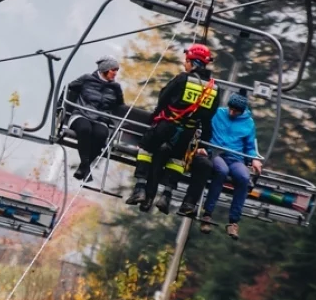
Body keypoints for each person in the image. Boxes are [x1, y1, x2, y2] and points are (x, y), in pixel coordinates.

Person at [126, 44, 220, 214]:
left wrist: (152, 120)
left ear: (193, 63)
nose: (185, 65)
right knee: (177, 159)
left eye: (187, 61)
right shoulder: (214, 89)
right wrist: (203, 144)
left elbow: (163, 98)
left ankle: (139, 188)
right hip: (188, 133)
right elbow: (208, 119)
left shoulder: (183, 79)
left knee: (146, 148)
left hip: (167, 125)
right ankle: (166, 195)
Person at [186, 93, 262, 239]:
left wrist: (254, 159)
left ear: (242, 111)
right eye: (231, 109)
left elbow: (250, 146)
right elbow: (205, 130)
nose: (232, 113)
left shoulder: (248, 123)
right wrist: (202, 146)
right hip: (216, 153)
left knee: (244, 177)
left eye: (236, 111)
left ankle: (233, 222)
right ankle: (207, 213)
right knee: (221, 171)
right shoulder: (218, 114)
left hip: (235, 158)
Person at [65, 55, 125, 181]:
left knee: (101, 135)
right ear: (105, 69)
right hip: (82, 113)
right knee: (85, 129)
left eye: (116, 71)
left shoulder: (115, 87)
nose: (115, 73)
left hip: (101, 119)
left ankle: (83, 167)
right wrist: (62, 109)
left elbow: (120, 104)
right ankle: (86, 167)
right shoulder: (86, 79)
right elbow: (69, 89)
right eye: (113, 70)